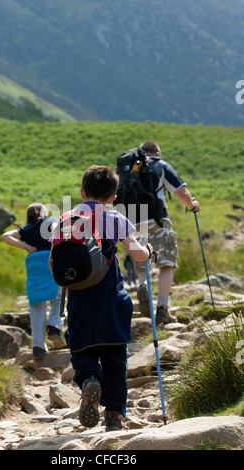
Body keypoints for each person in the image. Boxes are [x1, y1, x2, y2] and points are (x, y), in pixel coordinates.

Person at [51, 165, 153, 431]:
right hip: (111, 297)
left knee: (82, 350)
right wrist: (149, 250)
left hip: (79, 299)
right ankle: (114, 417)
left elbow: (55, 262)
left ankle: (88, 381)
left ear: (82, 191)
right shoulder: (115, 217)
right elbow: (137, 254)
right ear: (113, 197)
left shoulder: (64, 219)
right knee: (115, 358)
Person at [130, 141, 201, 325]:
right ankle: (163, 308)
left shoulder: (131, 168)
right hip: (157, 218)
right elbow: (181, 192)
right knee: (167, 262)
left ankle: (143, 286)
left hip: (132, 222)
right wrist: (192, 205)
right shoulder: (160, 165)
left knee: (141, 258)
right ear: (156, 152)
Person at [1, 202, 65, 359]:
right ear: (43, 212)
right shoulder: (49, 221)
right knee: (59, 295)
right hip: (48, 260)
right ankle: (54, 327)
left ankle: (37, 347)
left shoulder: (26, 229)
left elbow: (5, 236)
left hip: (34, 264)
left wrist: (25, 246)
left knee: (36, 304)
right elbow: (57, 232)